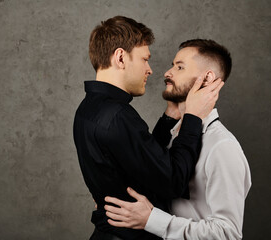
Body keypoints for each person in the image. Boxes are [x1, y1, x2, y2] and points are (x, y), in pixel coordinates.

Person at [73, 16, 224, 240]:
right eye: (145, 59)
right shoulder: (117, 116)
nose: (150, 70)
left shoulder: (88, 109)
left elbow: (142, 162)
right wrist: (192, 117)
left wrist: (170, 117)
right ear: (121, 57)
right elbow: (172, 180)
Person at [104, 39, 252, 239]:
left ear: (207, 78)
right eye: (173, 65)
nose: (167, 73)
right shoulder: (174, 135)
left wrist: (152, 220)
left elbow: (228, 233)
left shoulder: (221, 147)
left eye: (180, 67)